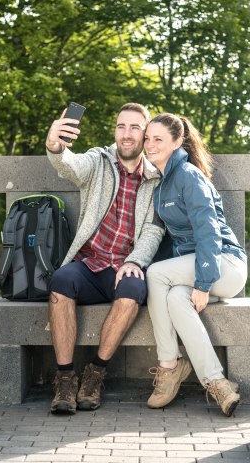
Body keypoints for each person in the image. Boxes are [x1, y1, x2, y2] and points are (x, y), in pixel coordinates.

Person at [45, 103, 164, 414]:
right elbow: (69, 166)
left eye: (135, 127)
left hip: (123, 268)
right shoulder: (98, 161)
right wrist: (55, 145)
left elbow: (153, 231)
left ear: (145, 133)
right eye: (121, 126)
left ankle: (95, 374)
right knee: (60, 282)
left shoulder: (155, 178)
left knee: (133, 291)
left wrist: (135, 261)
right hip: (89, 264)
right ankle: (65, 378)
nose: (126, 134)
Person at [144, 113, 247, 417]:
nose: (150, 144)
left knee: (156, 274)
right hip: (199, 268)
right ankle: (217, 384)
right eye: (147, 138)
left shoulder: (188, 175)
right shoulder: (163, 184)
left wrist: (202, 283)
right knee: (176, 298)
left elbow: (209, 232)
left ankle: (168, 365)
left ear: (177, 142)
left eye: (158, 139)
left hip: (225, 266)